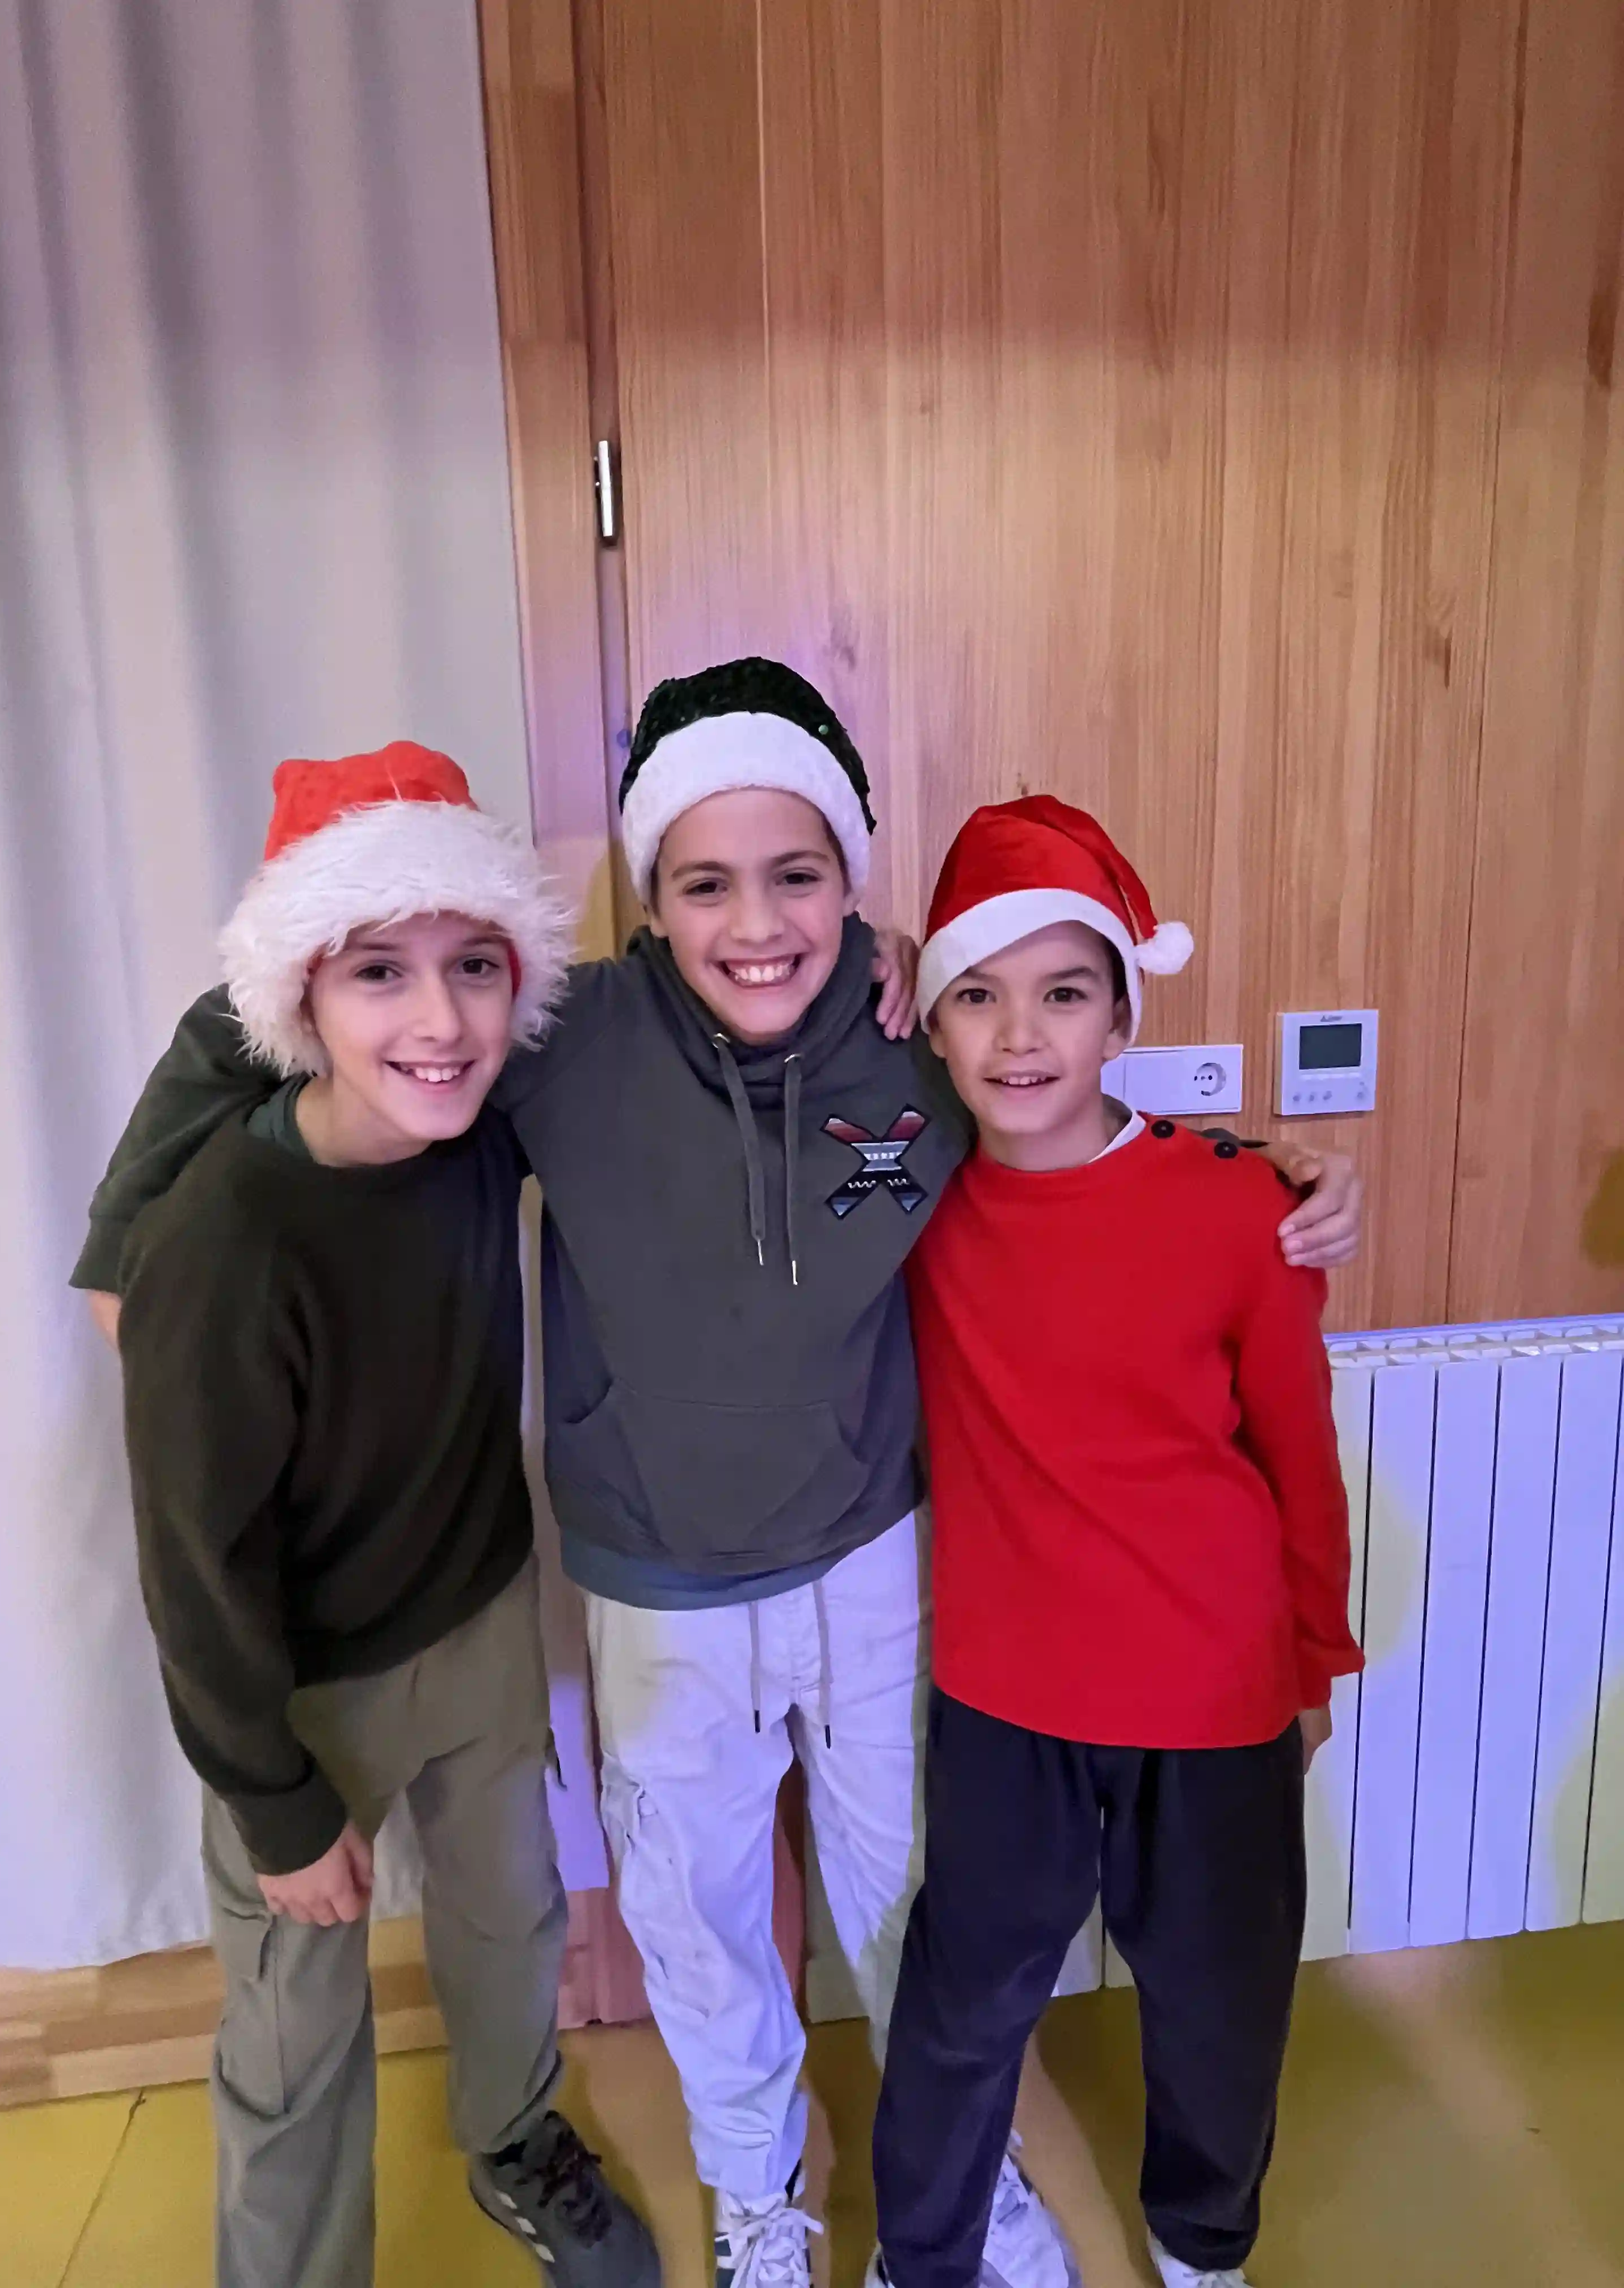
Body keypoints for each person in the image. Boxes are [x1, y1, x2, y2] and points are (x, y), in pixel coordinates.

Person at [74, 667, 1362, 2288]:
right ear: (650, 896)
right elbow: (333, 995)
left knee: (915, 1909)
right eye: (705, 884)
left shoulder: (921, 1047)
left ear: (855, 890)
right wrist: (136, 1222)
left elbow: (1073, 1118)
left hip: (875, 1557)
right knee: (699, 1924)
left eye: (798, 876)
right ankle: (762, 2194)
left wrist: (1264, 1164)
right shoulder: (558, 1037)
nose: (757, 925)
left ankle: (966, 2183)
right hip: (658, 1585)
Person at [106, 743, 658, 2288]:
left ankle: (515, 2138)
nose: (440, 1021)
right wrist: (275, 1802)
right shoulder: (223, 1239)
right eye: (378, 972)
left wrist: (885, 961)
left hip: (474, 1615)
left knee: (510, 1919)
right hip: (300, 1685)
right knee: (294, 2029)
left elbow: (685, 1001)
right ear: (300, 1000)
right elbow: (194, 1570)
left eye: (474, 966)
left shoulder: (478, 1119)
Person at [869, 797, 1365, 2288]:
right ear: (932, 1025)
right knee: (964, 2003)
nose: (1021, 1035)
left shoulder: (1241, 1207)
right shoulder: (909, 1206)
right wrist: (866, 958)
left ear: (1120, 1016)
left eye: (1064, 993)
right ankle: (926, 2255)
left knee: (1221, 2004)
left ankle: (1204, 2245)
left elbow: (1299, 1456)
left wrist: (1315, 1661)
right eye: (978, 995)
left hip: (1215, 1692)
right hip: (1007, 1697)